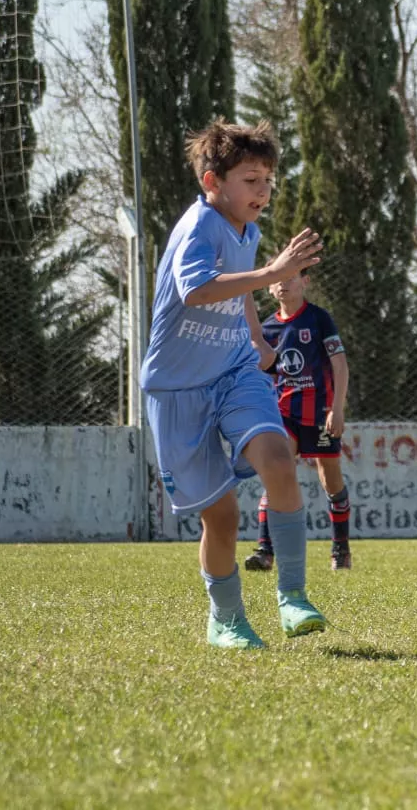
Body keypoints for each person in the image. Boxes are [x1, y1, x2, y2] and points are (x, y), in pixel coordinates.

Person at [140, 119, 327, 650]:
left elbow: (240, 287)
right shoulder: (198, 226)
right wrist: (274, 273)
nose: (263, 191)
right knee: (221, 518)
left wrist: (257, 342)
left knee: (278, 459)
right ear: (212, 182)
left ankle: (293, 598)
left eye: (269, 179)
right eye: (251, 179)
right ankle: (225, 619)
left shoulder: (248, 230)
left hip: (234, 370)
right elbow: (198, 289)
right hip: (176, 391)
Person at [245, 270, 352, 572]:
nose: (283, 283)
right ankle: (265, 551)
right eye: (277, 278)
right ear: (268, 287)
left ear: (305, 281)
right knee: (276, 472)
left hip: (319, 413)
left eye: (291, 277)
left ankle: (340, 550)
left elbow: (340, 364)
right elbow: (260, 372)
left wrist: (337, 409)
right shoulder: (264, 329)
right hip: (284, 413)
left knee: (330, 477)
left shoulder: (318, 319)